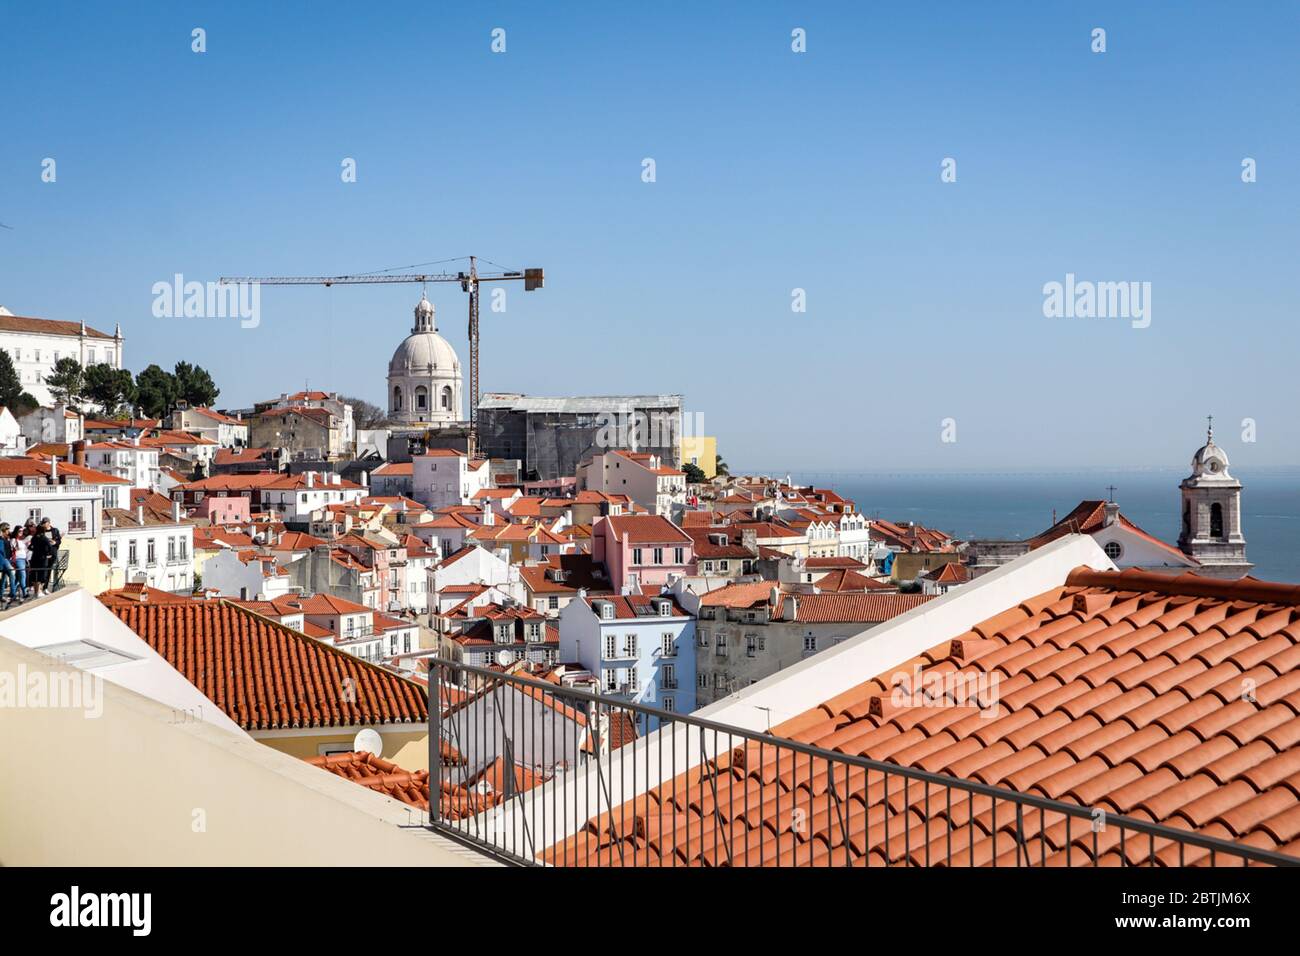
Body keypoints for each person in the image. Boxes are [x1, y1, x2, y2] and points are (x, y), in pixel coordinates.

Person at [29, 524, 56, 598]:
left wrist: (35, 550)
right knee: (42, 575)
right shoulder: (44, 538)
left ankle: (35, 592)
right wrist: (49, 554)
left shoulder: (34, 538)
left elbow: (30, 547)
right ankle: (39, 591)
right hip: (42, 558)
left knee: (34, 575)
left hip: (34, 558)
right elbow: (50, 547)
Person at [0, 524, 19, 608]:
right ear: (3, 530)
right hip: (3, 559)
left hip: (7, 559)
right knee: (12, 573)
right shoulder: (0, 538)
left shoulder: (7, 538)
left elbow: (16, 533)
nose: (9, 531)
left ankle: (0, 595)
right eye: (7, 529)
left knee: (4, 578)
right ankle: (13, 594)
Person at [12, 527, 29, 599]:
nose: (21, 532)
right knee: (23, 576)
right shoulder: (14, 540)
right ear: (16, 531)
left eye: (22, 531)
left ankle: (12, 593)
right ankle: (24, 592)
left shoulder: (22, 540)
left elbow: (24, 550)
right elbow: (14, 548)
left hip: (23, 559)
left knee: (18, 578)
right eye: (19, 531)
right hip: (18, 559)